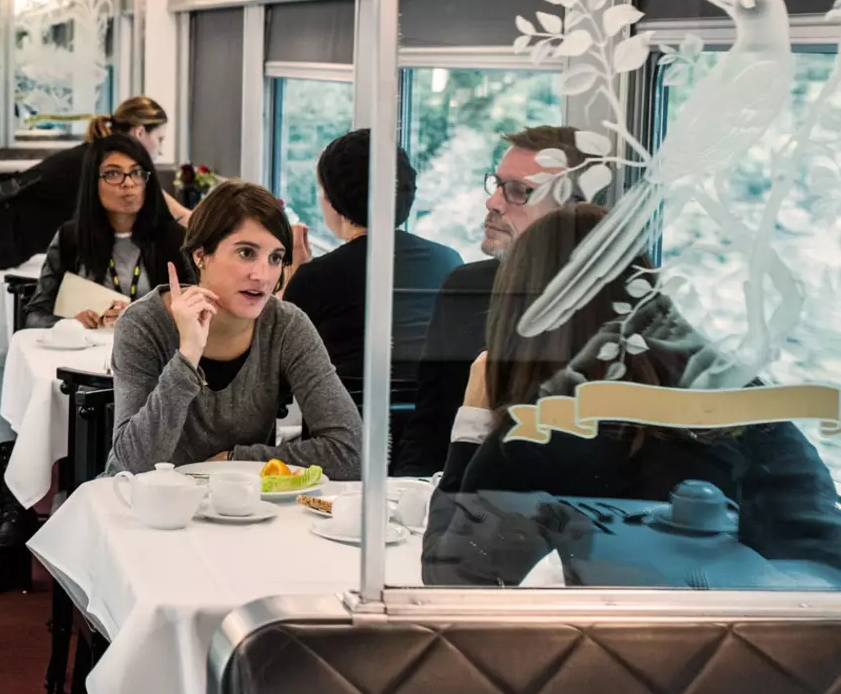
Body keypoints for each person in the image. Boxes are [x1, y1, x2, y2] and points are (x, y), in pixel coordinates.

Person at [421, 205, 841, 587]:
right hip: (799, 644)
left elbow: (452, 579)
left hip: (645, 656)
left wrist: (474, 416)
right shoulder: (740, 398)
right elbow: (818, 542)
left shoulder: (551, 427)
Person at [0, 132, 189, 596]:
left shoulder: (174, 240)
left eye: (137, 174)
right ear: (93, 183)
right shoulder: (72, 237)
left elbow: (199, 305)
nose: (128, 185)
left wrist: (151, 313)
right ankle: (11, 521)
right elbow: (36, 312)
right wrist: (71, 317)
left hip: (152, 362)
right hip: (81, 350)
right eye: (114, 174)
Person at [0, 96, 180, 485]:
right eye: (160, 138)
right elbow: (167, 212)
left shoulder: (99, 155)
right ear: (140, 132)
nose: (157, 151)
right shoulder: (100, 161)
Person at [107, 180, 360, 478]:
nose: (262, 275)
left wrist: (235, 460)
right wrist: (188, 356)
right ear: (201, 254)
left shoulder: (286, 325)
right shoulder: (144, 324)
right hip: (147, 510)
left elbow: (351, 453)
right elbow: (131, 466)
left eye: (275, 258)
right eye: (246, 253)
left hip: (244, 510)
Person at [397, 125, 592, 476]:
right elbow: (427, 426)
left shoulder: (603, 306)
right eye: (497, 185)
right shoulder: (465, 288)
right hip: (448, 501)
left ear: (574, 211)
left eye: (519, 191)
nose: (493, 203)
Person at [281, 129, 461, 432]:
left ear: (332, 199)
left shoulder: (315, 278)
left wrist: (293, 278)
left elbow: (278, 373)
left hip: (343, 443)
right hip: (433, 437)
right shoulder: (449, 262)